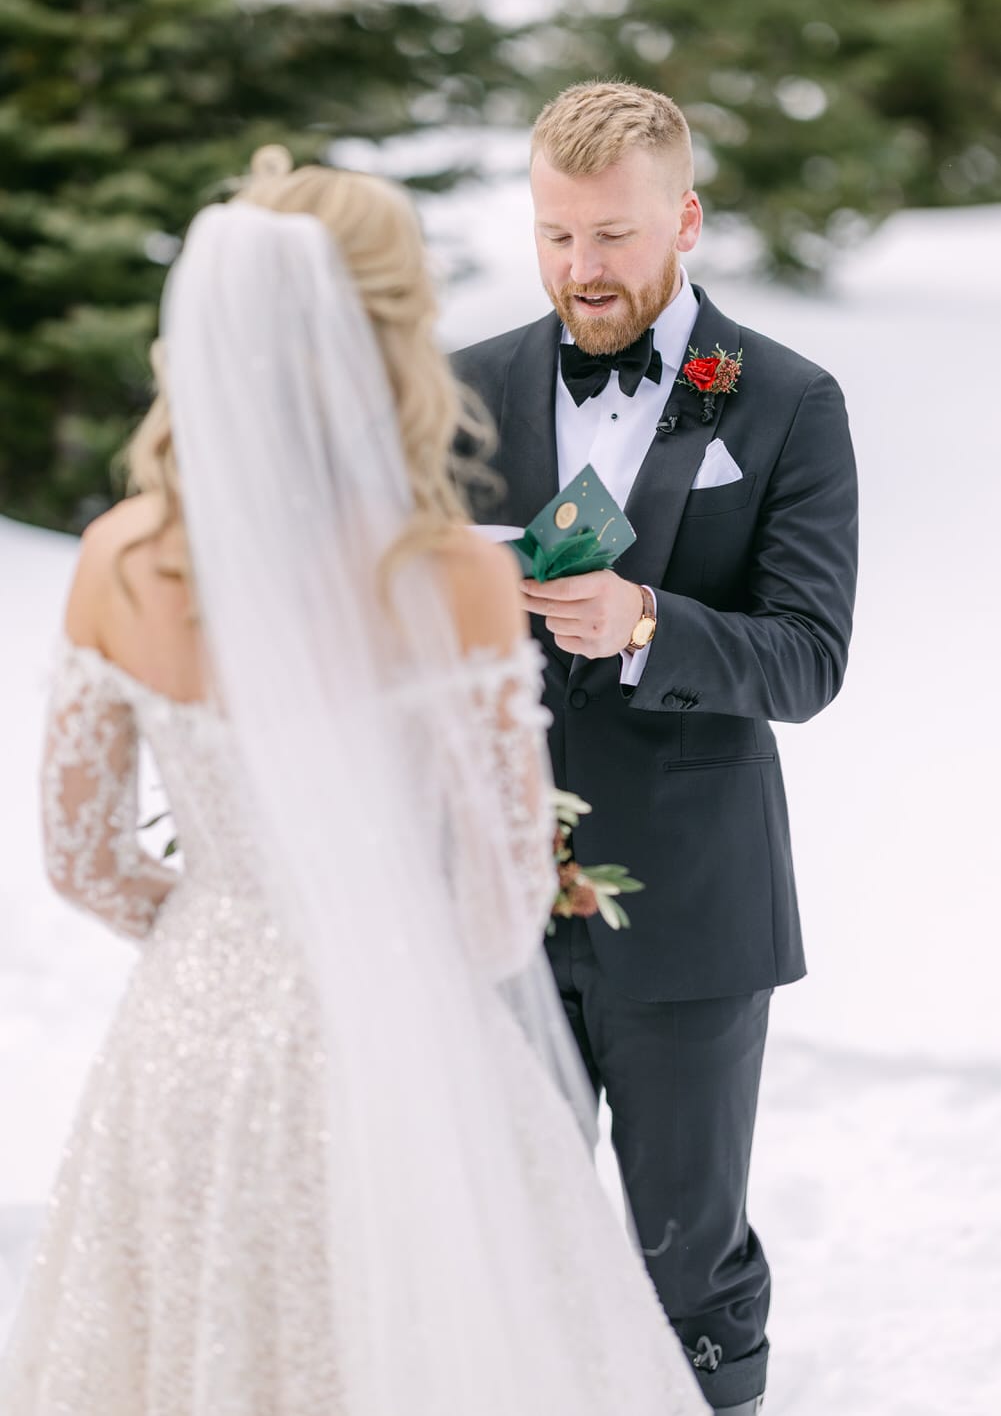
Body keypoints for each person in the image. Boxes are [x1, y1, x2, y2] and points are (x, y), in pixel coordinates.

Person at [0, 151, 709, 1415]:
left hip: (190, 1041)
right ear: (388, 339)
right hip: (401, 1036)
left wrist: (223, 931)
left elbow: (81, 857)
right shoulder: (450, 580)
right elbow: (497, 907)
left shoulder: (121, 557)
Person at [454, 81, 859, 1415]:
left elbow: (806, 657)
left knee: (683, 1247)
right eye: (557, 236)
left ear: (684, 218)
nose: (584, 269)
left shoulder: (785, 401)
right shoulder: (464, 390)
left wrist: (644, 622)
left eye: (615, 237)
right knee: (504, 1233)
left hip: (688, 904)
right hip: (489, 896)